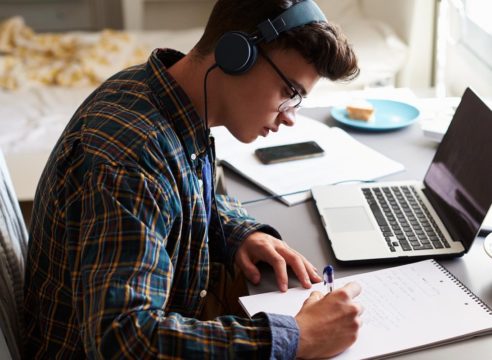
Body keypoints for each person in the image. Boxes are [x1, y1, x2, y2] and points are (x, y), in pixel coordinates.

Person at [24, 0, 363, 358]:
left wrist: (238, 232)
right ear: (236, 54)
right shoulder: (133, 157)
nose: (289, 117)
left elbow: (174, 196)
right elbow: (124, 340)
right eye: (289, 93)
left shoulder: (156, 95)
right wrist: (295, 337)